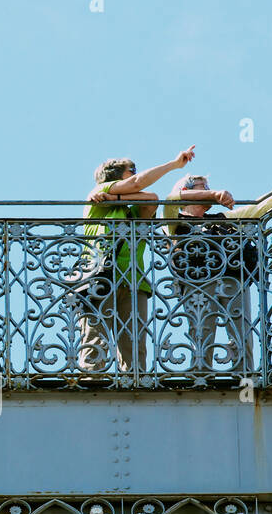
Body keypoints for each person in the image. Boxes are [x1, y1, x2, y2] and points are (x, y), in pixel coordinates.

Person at [164, 174, 272, 375]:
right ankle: (202, 376)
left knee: (241, 330)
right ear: (188, 192)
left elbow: (261, 206)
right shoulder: (174, 220)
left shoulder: (222, 219)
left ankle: (244, 375)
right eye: (202, 187)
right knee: (202, 331)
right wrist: (215, 194)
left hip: (231, 279)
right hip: (198, 282)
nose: (208, 190)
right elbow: (172, 197)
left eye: (208, 187)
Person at [77, 147, 196, 374]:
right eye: (131, 170)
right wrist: (173, 164)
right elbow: (137, 185)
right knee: (95, 339)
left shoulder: (125, 204)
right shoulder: (97, 195)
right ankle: (92, 385)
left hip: (133, 281)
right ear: (113, 176)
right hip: (98, 276)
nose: (135, 173)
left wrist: (115, 198)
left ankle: (134, 385)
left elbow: (151, 199)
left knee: (134, 343)